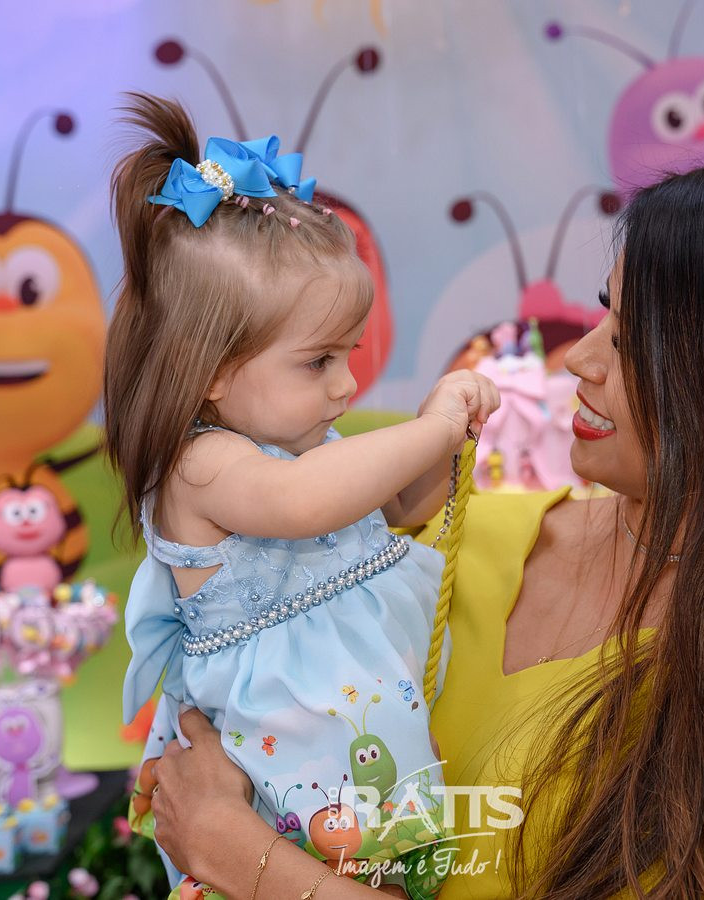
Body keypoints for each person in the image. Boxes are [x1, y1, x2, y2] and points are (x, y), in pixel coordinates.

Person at [147, 158, 704, 898]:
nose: (581, 359)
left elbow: (228, 830)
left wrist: (238, 853)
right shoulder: (446, 547)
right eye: (603, 313)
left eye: (630, 342)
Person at [103, 93, 499, 899]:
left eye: (349, 354)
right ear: (213, 371)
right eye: (318, 361)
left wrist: (448, 443)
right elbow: (301, 507)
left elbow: (396, 512)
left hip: (353, 742)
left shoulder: (301, 447)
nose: (346, 385)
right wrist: (428, 427)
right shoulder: (204, 466)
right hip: (280, 754)